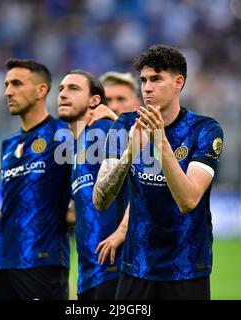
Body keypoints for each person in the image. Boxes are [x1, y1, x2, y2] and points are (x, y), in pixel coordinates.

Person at [93, 45, 224, 300]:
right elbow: (100, 200)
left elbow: (188, 200)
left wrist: (160, 142)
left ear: (178, 83)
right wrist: (130, 153)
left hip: (186, 270)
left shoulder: (204, 130)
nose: (147, 87)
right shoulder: (125, 125)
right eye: (143, 80)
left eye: (156, 79)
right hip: (136, 269)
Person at [0, 59, 71, 300]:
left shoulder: (63, 136)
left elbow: (83, 189)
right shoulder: (9, 145)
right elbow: (7, 209)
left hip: (42, 262)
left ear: (40, 90)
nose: (7, 92)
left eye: (16, 84)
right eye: (6, 85)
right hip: (2, 263)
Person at [57, 70, 129, 300]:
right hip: (88, 273)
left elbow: (143, 182)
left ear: (94, 100)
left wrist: (122, 231)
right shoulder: (75, 147)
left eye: (73, 89)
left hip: (113, 267)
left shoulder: (104, 129)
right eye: (60, 89)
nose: (63, 94)